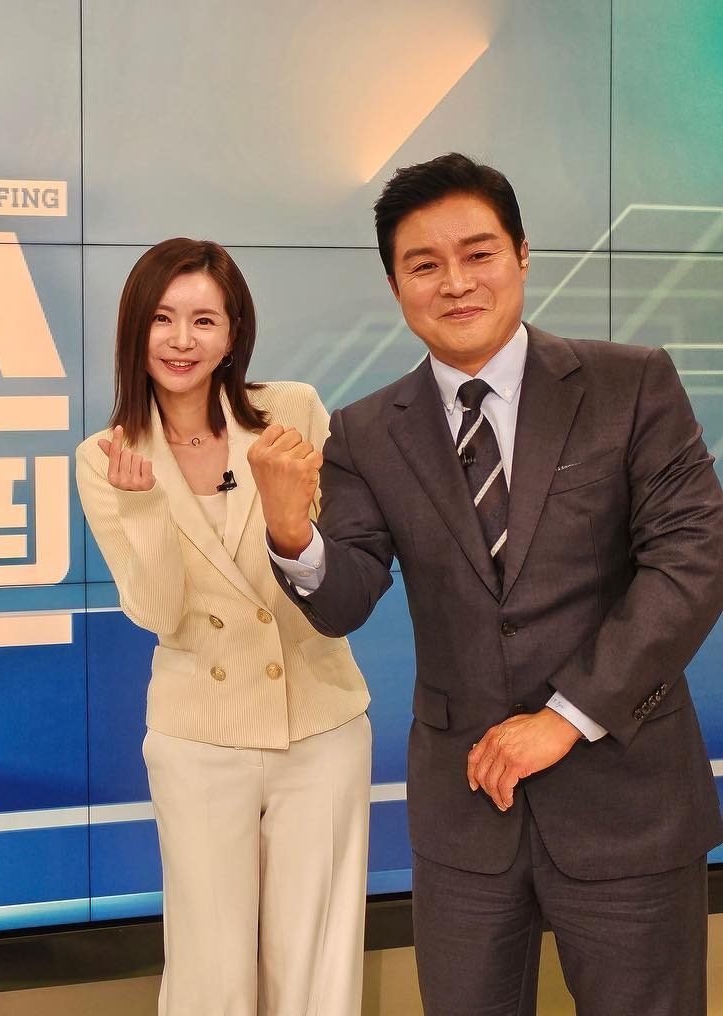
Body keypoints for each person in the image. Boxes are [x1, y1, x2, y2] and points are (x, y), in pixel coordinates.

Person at [251, 152, 723, 1015]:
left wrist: (564, 718)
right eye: (424, 264)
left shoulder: (629, 384)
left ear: (522, 255)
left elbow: (692, 560)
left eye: (478, 254)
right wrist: (290, 533)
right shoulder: (365, 431)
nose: (456, 283)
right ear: (395, 285)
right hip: (465, 818)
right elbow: (346, 597)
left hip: (627, 800)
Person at [75, 238, 371, 1015]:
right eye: (162, 318)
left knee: (316, 968)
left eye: (204, 320)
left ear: (234, 333)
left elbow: (335, 560)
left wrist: (285, 509)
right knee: (211, 975)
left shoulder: (291, 413)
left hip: (320, 722)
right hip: (199, 738)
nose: (182, 340)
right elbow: (157, 614)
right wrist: (144, 509)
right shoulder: (105, 457)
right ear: (134, 329)